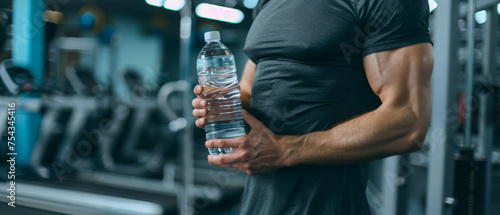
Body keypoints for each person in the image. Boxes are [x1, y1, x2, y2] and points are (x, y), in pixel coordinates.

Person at [192, 0, 433, 214]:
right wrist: (221, 106)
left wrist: (285, 150)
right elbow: (247, 89)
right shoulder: (267, 3)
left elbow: (408, 121)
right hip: (259, 204)